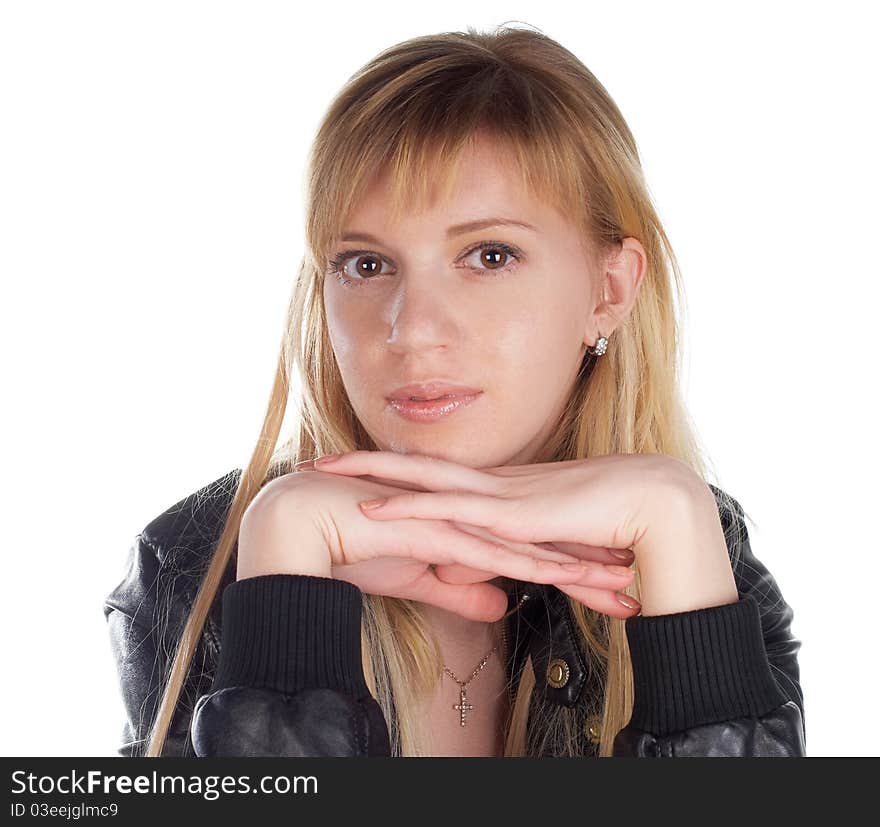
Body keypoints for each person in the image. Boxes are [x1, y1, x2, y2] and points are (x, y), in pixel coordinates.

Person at [103, 24, 805, 758]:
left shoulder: (698, 556)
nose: (412, 330)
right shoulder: (202, 562)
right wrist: (287, 568)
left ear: (609, 288)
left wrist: (673, 515)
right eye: (366, 265)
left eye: (489, 255)